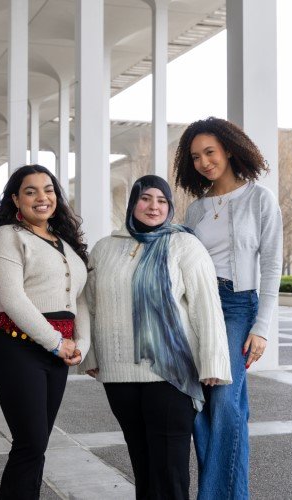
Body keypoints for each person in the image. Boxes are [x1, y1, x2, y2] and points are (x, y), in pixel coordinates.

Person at [82, 175, 231, 500]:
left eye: (161, 200)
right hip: (119, 376)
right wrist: (90, 355)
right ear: (133, 202)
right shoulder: (105, 248)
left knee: (170, 472)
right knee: (144, 467)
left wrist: (213, 363)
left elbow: (207, 307)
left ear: (170, 206)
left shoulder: (184, 245)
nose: (154, 206)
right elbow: (90, 305)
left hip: (170, 377)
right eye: (146, 198)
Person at [173, 117, 283, 500]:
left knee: (224, 399)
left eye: (210, 152)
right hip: (198, 306)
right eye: (196, 156)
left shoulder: (259, 199)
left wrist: (263, 327)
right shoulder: (197, 210)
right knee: (203, 404)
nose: (204, 162)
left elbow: (271, 263)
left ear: (230, 150)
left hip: (238, 304)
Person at [0, 164, 91, 500]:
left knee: (38, 443)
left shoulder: (65, 242)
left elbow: (81, 299)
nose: (42, 197)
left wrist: (82, 345)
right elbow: (13, 299)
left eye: (48, 190)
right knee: (29, 442)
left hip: (57, 352)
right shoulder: (6, 237)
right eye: (31, 191)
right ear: (16, 198)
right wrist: (57, 342)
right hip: (16, 349)